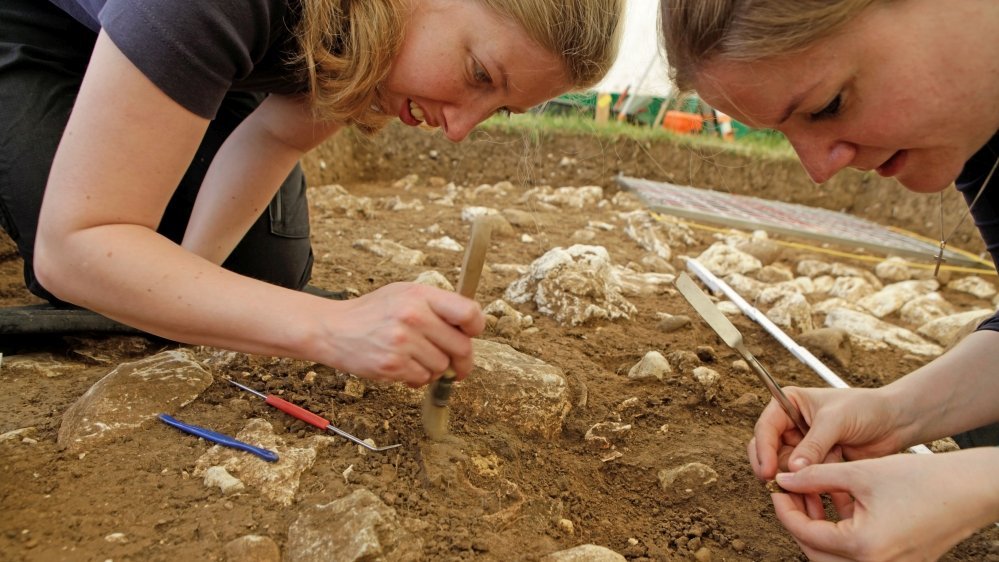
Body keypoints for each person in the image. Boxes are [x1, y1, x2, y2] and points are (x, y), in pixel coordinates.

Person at [0, 1, 622, 386]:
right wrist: (329, 326)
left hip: (205, 54)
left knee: (254, 275)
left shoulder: (371, 30)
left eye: (500, 109)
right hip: (43, 26)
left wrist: (188, 282)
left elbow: (274, 135)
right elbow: (76, 242)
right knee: (96, 258)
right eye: (480, 75)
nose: (460, 129)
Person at [659, 0, 999, 559]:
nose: (819, 170)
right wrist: (894, 415)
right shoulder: (980, 134)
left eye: (827, 105)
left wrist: (982, 485)